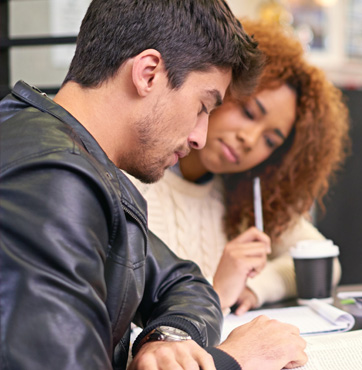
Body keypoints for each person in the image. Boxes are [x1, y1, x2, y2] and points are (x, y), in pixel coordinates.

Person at [0, 1, 307, 369]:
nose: (200, 137)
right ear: (148, 74)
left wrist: (168, 340)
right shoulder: (54, 179)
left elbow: (184, 282)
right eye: (202, 107)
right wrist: (234, 362)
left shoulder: (89, 169)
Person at [131, 20, 348, 315]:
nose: (250, 139)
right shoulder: (135, 179)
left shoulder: (243, 201)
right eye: (248, 112)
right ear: (221, 87)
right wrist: (217, 290)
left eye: (270, 141)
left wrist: (256, 286)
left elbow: (324, 262)